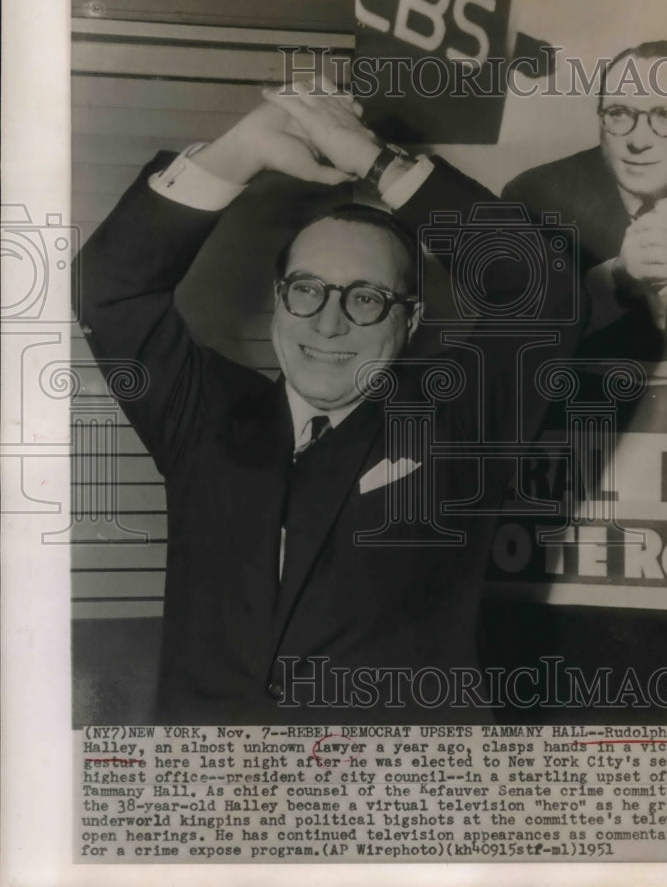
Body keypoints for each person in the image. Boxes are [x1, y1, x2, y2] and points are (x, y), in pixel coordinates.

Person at [74, 87, 581, 723]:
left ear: (412, 319)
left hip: (392, 806)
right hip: (213, 804)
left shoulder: (456, 425)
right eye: (307, 290)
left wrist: (375, 162)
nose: (329, 325)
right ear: (280, 299)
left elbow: (541, 291)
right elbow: (110, 293)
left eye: (366, 298)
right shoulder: (204, 418)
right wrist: (242, 149)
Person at [504, 40, 667, 365]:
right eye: (619, 114)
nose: (638, 140)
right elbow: (512, 342)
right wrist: (613, 282)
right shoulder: (533, 195)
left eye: (665, 116)